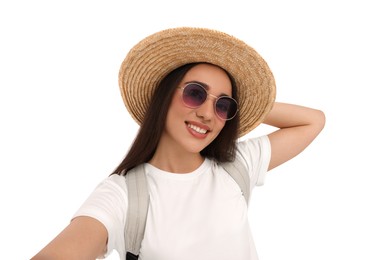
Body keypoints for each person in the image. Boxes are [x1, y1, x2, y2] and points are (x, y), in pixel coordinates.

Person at [31, 27, 325, 260]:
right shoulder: (124, 195)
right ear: (165, 95)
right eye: (196, 94)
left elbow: (313, 121)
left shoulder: (236, 166)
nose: (208, 113)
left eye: (223, 105)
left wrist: (246, 104)